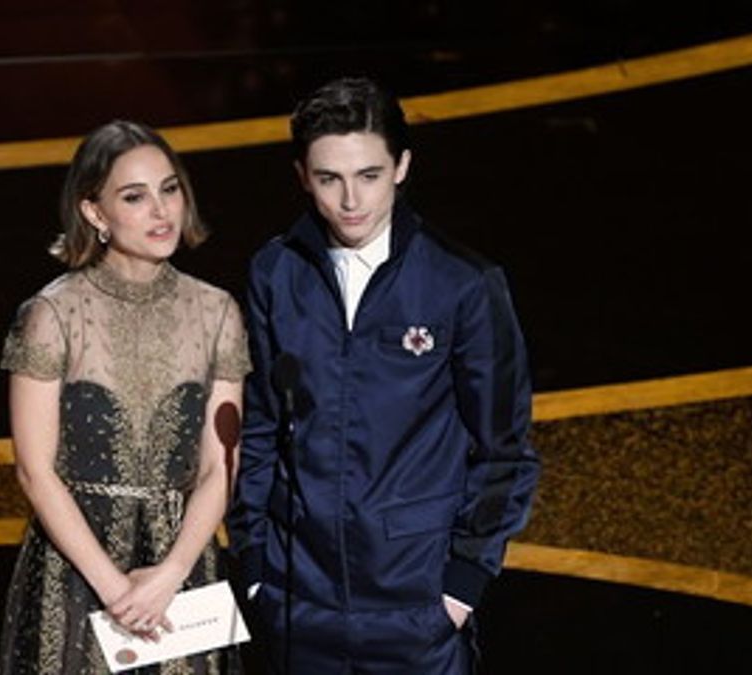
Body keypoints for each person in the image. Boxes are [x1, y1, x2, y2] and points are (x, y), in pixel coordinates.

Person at [227, 76, 541, 673]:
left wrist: (460, 586)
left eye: (368, 176)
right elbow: (259, 425)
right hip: (299, 601)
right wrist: (256, 569)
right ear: (302, 176)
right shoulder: (274, 273)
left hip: (417, 604)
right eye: (329, 179)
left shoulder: (464, 284)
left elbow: (505, 451)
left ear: (401, 166)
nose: (351, 201)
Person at [0, 120, 251, 675]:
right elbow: (35, 472)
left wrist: (169, 574)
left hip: (181, 570)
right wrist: (118, 591)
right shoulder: (52, 315)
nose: (161, 211)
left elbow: (219, 467)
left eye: (170, 188)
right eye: (134, 197)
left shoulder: (217, 313)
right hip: (78, 572)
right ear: (94, 212)